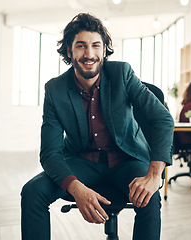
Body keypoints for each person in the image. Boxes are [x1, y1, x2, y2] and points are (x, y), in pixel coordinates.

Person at [20, 13, 174, 240]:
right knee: (33, 191)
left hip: (127, 160)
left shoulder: (122, 74)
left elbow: (162, 119)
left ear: (104, 50)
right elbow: (50, 153)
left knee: (149, 197)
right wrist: (76, 188)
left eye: (95, 46)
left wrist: (154, 175)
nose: (89, 54)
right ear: (70, 51)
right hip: (82, 162)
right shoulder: (55, 90)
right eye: (81, 46)